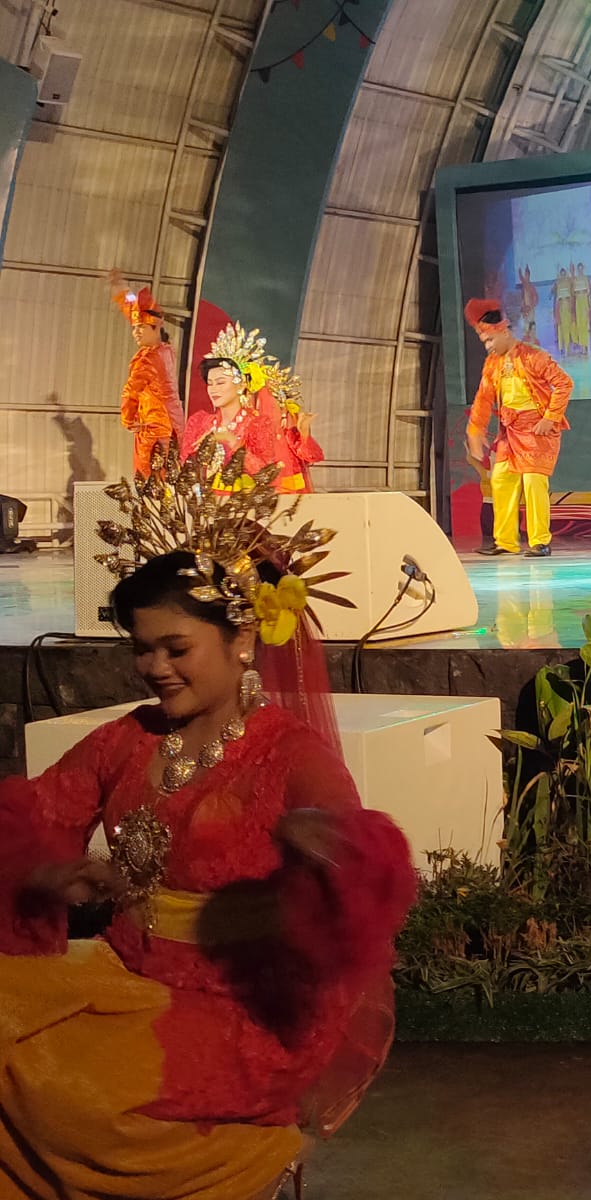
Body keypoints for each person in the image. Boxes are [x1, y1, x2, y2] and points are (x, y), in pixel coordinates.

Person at [0, 442, 416, 1200]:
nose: (155, 667)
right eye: (142, 650)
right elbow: (33, 816)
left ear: (242, 641)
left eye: (175, 647)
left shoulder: (289, 754)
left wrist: (322, 850)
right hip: (122, 972)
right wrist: (49, 873)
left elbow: (363, 869)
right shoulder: (130, 737)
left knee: (98, 1107)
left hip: (233, 1003)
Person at [464, 297, 575, 558]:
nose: (488, 347)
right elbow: (483, 398)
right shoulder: (492, 364)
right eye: (485, 343)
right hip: (510, 432)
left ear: (503, 331)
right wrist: (475, 431)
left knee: (533, 481)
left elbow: (564, 383)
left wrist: (550, 417)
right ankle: (505, 541)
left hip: (537, 430)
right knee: (501, 479)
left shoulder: (534, 356)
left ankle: (540, 541)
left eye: (490, 340)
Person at [181, 323, 322, 494]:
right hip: (204, 507)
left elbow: (265, 473)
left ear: (241, 385)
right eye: (210, 383)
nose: (213, 389)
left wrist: (230, 441)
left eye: (220, 383)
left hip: (246, 510)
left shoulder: (258, 424)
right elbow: (183, 467)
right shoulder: (199, 422)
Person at [109, 271, 183, 481]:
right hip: (172, 424)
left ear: (155, 328)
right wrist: (124, 290)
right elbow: (134, 308)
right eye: (134, 329)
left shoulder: (149, 360)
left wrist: (128, 418)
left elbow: (131, 391)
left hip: (154, 430)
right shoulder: (166, 350)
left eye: (141, 328)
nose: (136, 333)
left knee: (151, 480)